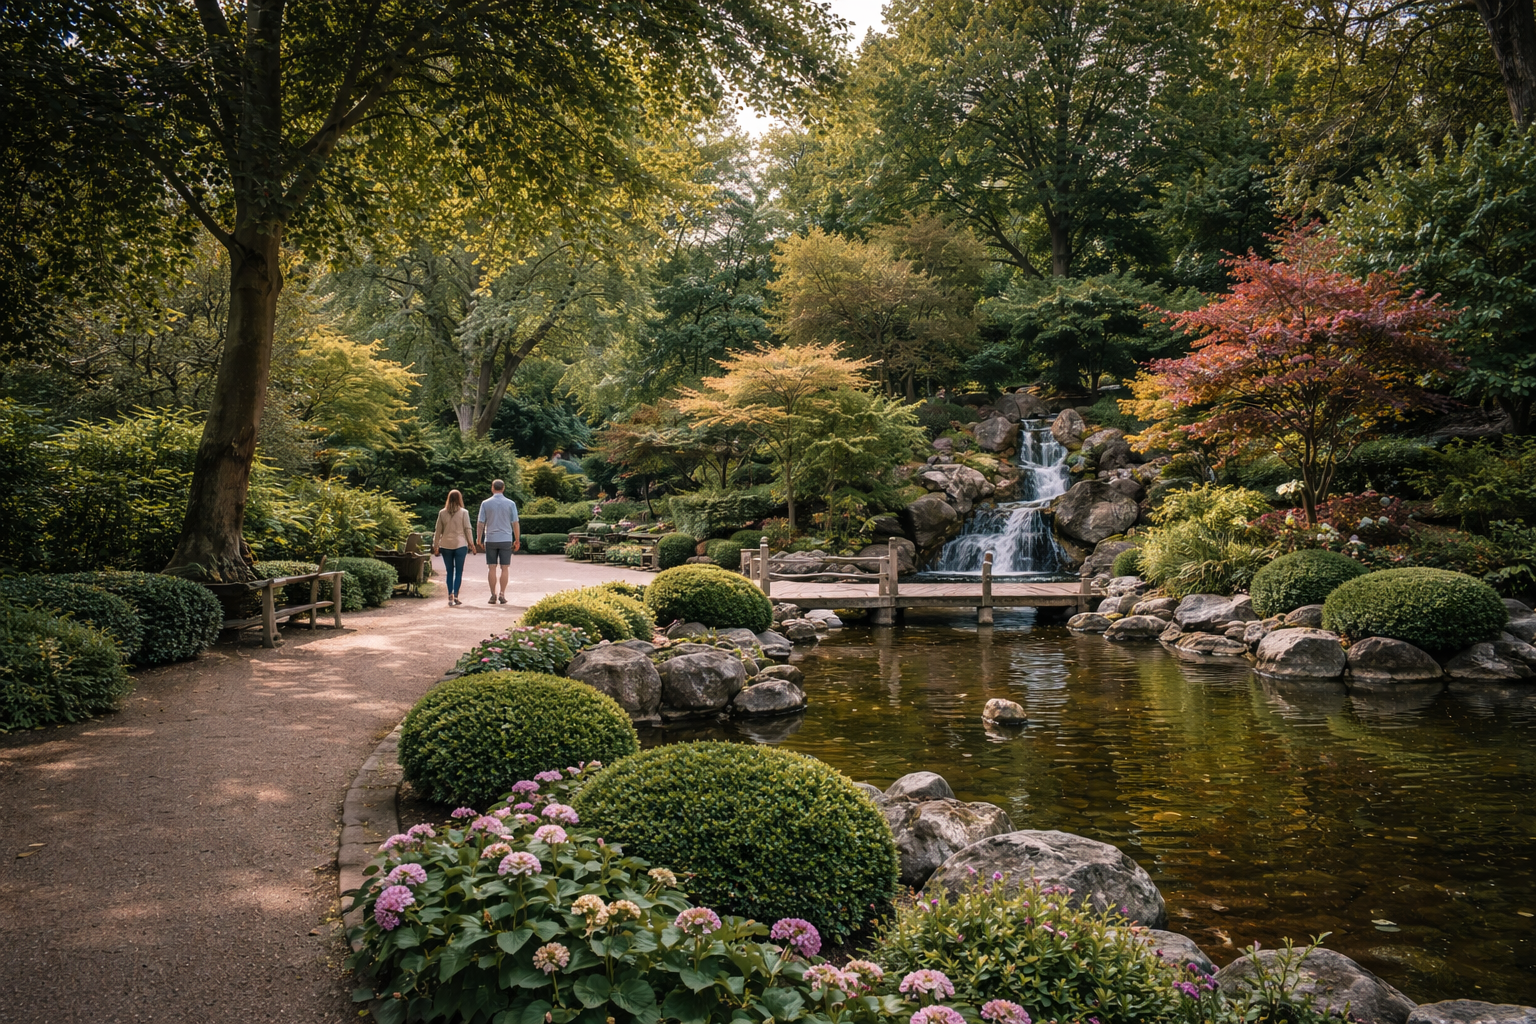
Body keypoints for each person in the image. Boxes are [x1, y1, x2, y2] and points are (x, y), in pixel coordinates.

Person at [477, 478, 520, 604]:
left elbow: (481, 523)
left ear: (492, 488)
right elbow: (515, 523)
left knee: (491, 568)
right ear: (503, 488)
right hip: (506, 538)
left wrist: (478, 539)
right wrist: (517, 539)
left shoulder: (485, 503)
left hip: (490, 538)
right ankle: (502, 593)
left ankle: (492, 595)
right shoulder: (511, 504)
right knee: (505, 568)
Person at [432, 489, 477, 606]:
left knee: (449, 571)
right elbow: (468, 529)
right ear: (459, 499)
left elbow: (438, 531)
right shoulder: (464, 512)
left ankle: (449, 595)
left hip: (446, 545)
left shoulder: (442, 513)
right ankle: (456, 594)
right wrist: (472, 544)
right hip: (460, 544)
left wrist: (435, 545)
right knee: (458, 571)